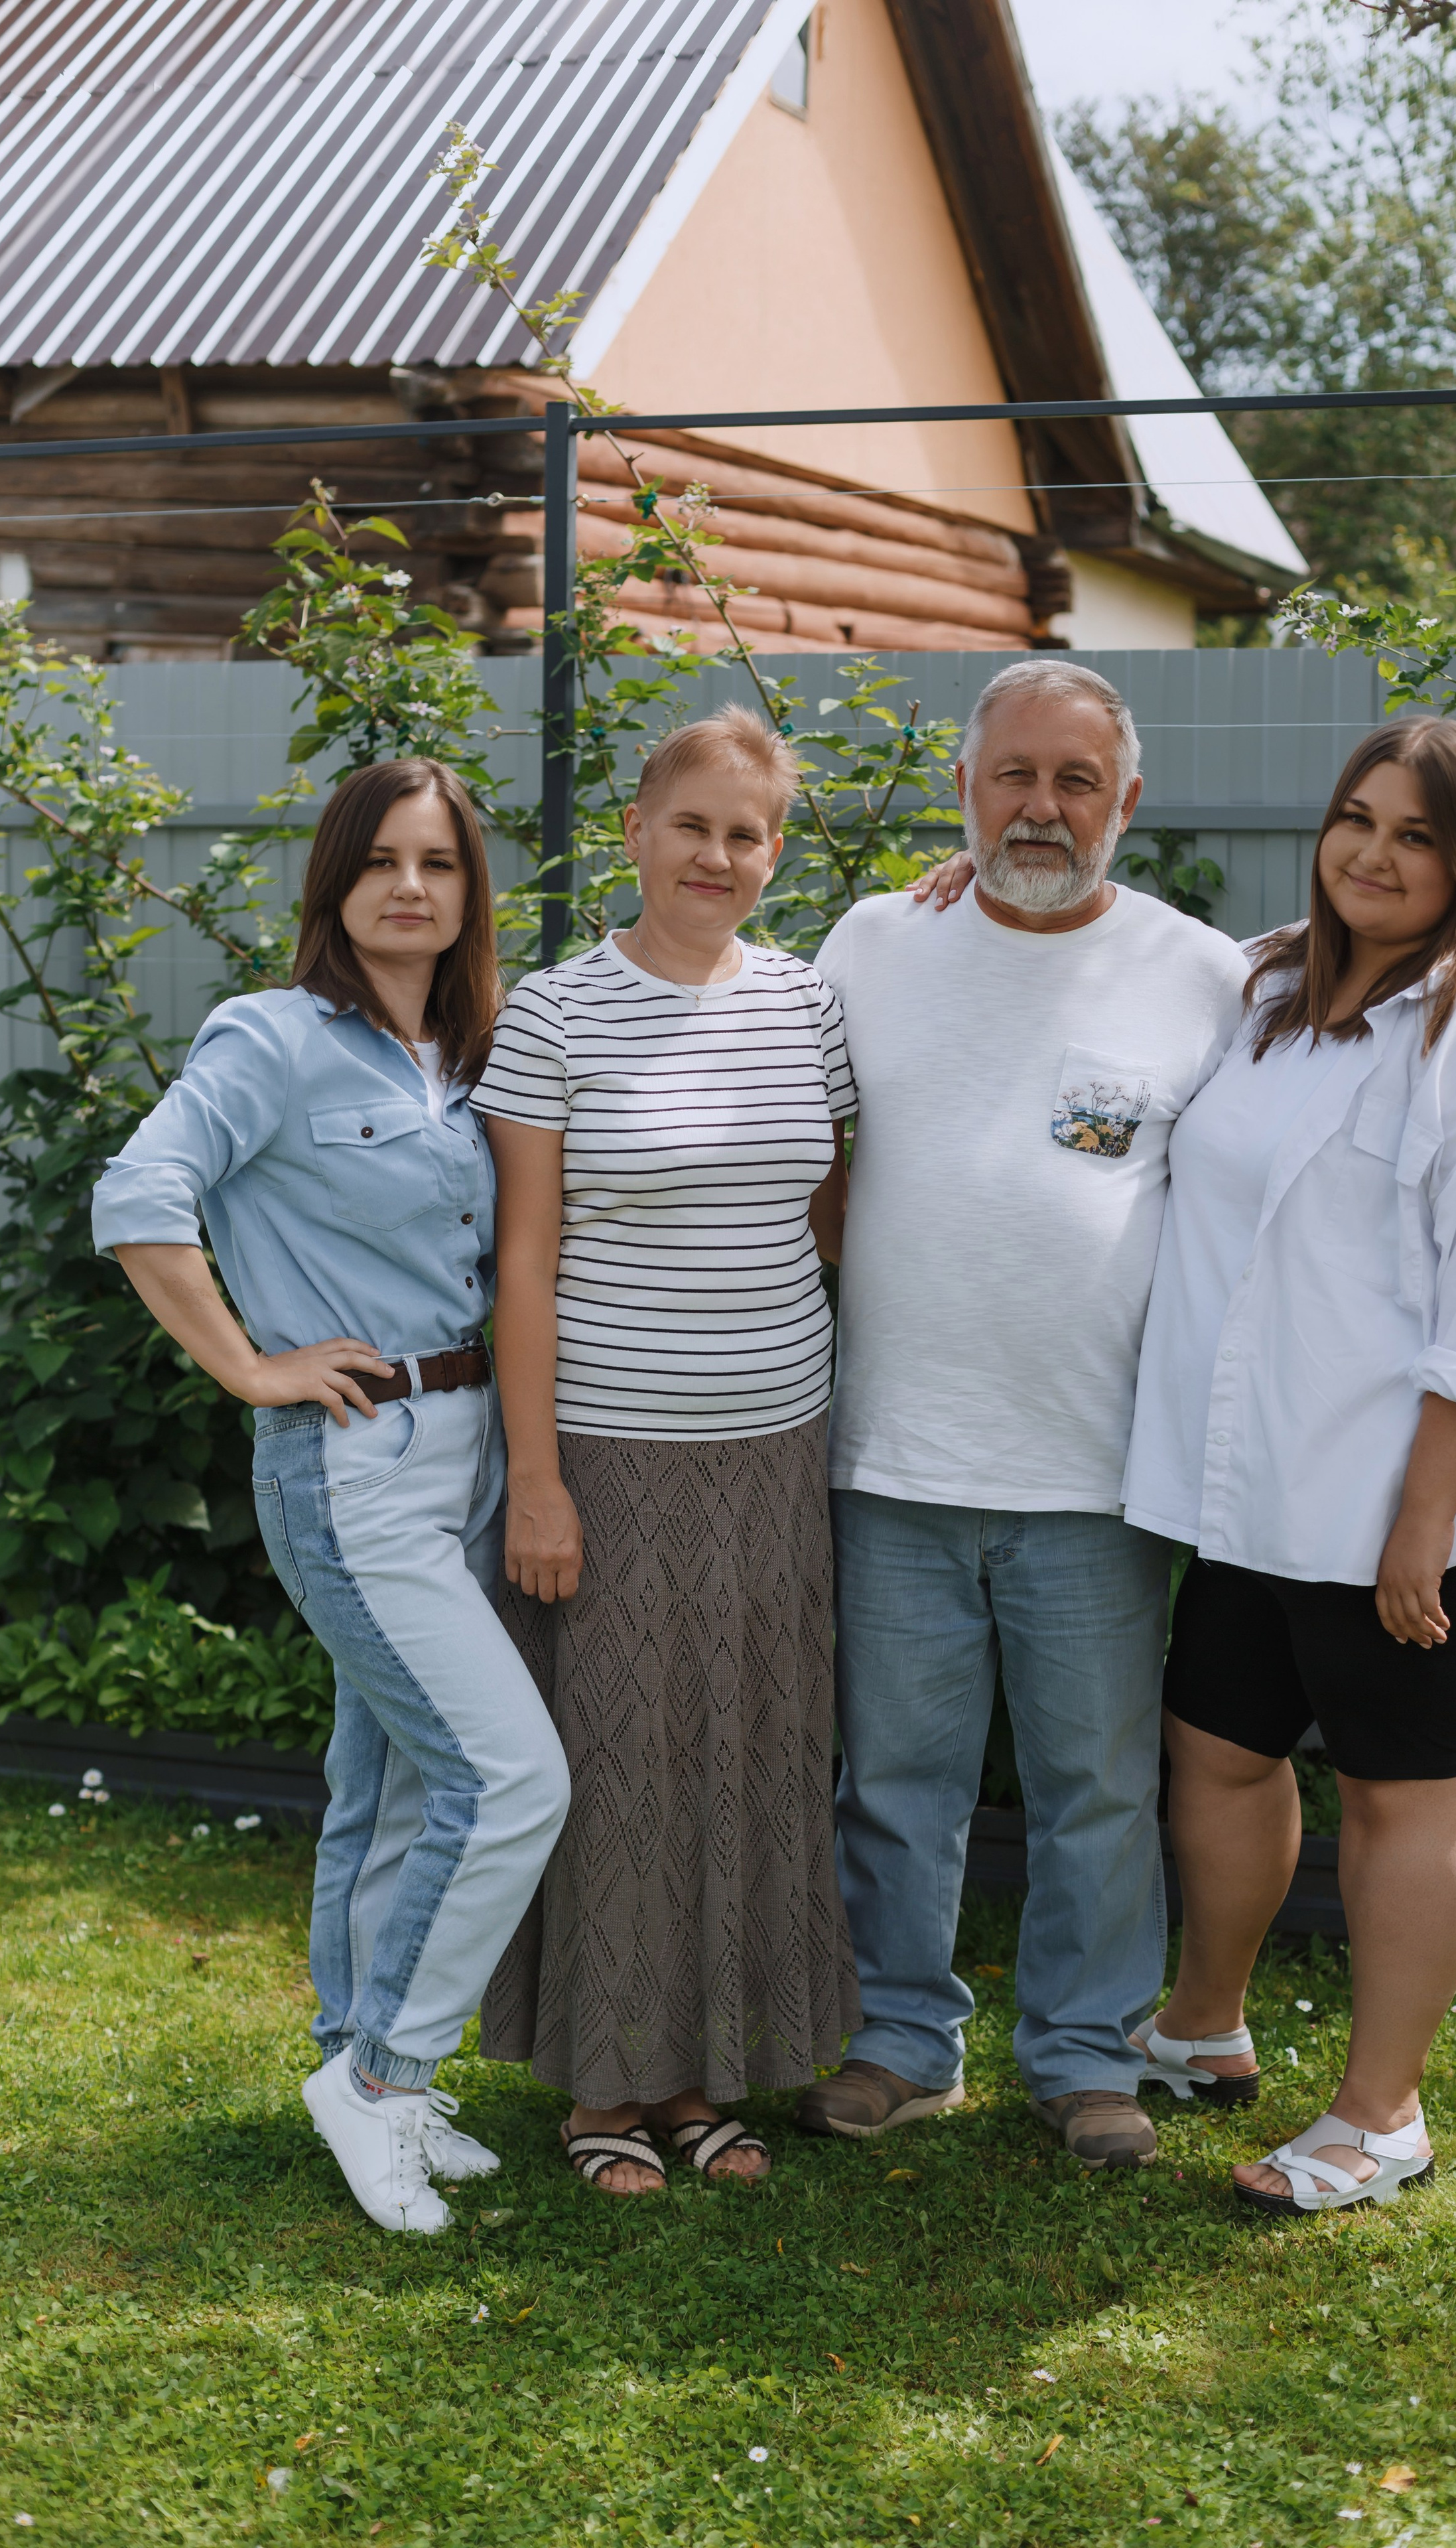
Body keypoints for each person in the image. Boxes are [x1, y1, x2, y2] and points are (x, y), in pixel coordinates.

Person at [1120, 716, 1456, 2214]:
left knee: (1402, 1791)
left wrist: (1421, 1523)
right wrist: (965, 880)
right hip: (1249, 1480)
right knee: (1215, 1749)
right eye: (1354, 820)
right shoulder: (1279, 992)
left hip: (1395, 1504)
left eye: (1412, 835)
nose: (1372, 856)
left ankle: (1377, 2114)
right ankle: (1204, 2024)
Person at [90, 758, 570, 2237]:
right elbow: (138, 1195)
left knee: (400, 1784)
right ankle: (380, 2080)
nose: (410, 888)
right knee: (510, 1782)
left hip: (471, 1445)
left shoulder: (473, 1054)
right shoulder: (275, 1040)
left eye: (437, 863)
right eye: (380, 862)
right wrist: (248, 1367)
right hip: (352, 1460)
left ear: (467, 890)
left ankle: (371, 2076)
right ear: (334, 883)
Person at [803, 658, 1249, 2170]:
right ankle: (899, 2042)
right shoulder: (870, 942)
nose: (1041, 807)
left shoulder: (1201, 972)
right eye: (1013, 776)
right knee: (895, 1784)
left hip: (1092, 1469)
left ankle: (1080, 2056)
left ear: (1126, 800)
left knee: (1097, 1792)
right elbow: (798, 1141)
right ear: (962, 790)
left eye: (1074, 780)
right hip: (891, 1451)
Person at [470, 705, 860, 2196]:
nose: (716, 855)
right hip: (611, 1455)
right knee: (619, 1762)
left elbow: (825, 1213)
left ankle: (706, 2077)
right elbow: (523, 1266)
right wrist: (540, 1477)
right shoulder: (557, 1016)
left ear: (772, 853)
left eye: (746, 833)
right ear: (633, 832)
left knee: (753, 1758)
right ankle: (601, 2094)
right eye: (690, 824)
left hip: (771, 1451)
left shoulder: (808, 1006)